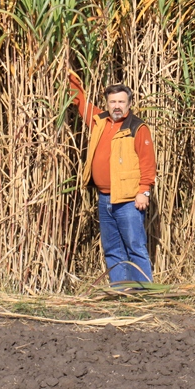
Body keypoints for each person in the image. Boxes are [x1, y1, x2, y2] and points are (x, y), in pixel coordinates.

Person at [69, 71, 156, 284]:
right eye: (113, 101)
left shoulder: (137, 127)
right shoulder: (99, 121)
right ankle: (121, 291)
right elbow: (80, 102)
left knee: (135, 247)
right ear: (107, 103)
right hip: (105, 198)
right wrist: (68, 75)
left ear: (129, 104)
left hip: (128, 200)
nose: (117, 106)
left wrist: (143, 191)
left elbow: (147, 162)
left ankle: (144, 292)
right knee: (113, 248)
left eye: (121, 102)